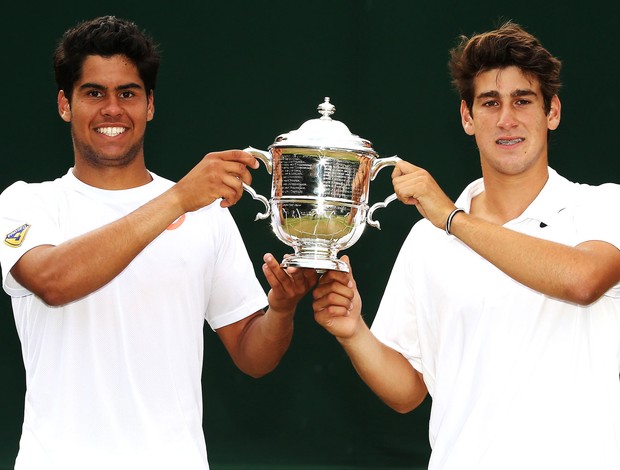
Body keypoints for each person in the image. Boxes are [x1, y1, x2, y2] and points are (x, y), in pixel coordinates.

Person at [0, 16, 318, 470]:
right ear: (64, 104)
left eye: (127, 93)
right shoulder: (26, 202)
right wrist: (177, 199)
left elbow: (253, 356)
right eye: (94, 93)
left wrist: (282, 311)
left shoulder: (206, 213)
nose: (112, 109)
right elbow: (53, 281)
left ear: (150, 105)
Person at [312, 21, 620, 470]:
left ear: (552, 112)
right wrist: (353, 331)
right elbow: (408, 392)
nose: (506, 119)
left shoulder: (603, 205)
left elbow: (582, 280)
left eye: (523, 100)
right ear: (467, 117)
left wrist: (452, 219)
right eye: (490, 103)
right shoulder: (427, 240)